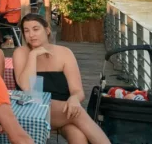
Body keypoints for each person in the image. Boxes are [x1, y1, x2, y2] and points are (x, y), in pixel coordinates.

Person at [13, 14, 110, 144]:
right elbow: (27, 87)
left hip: (63, 114)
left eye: (36, 29)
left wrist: (74, 99)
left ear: (47, 30)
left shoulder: (65, 53)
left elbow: (78, 91)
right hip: (33, 111)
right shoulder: (21, 53)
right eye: (27, 30)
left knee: (78, 137)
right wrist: (33, 55)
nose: (31, 34)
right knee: (79, 114)